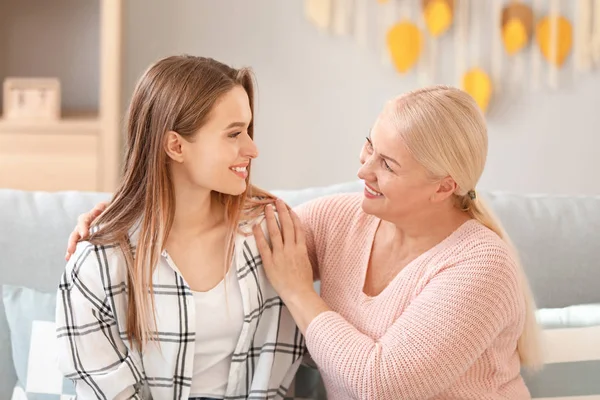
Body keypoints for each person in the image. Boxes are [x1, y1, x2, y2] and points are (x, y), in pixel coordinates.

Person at [67, 85, 543, 399]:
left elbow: (382, 382)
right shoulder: (345, 220)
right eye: (369, 146)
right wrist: (128, 210)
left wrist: (298, 292)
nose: (363, 170)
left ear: (444, 186)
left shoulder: (482, 267)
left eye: (388, 166)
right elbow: (237, 225)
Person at [56, 55, 304, 400]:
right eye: (234, 133)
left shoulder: (272, 234)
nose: (253, 149)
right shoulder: (98, 263)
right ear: (176, 146)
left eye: (248, 130)